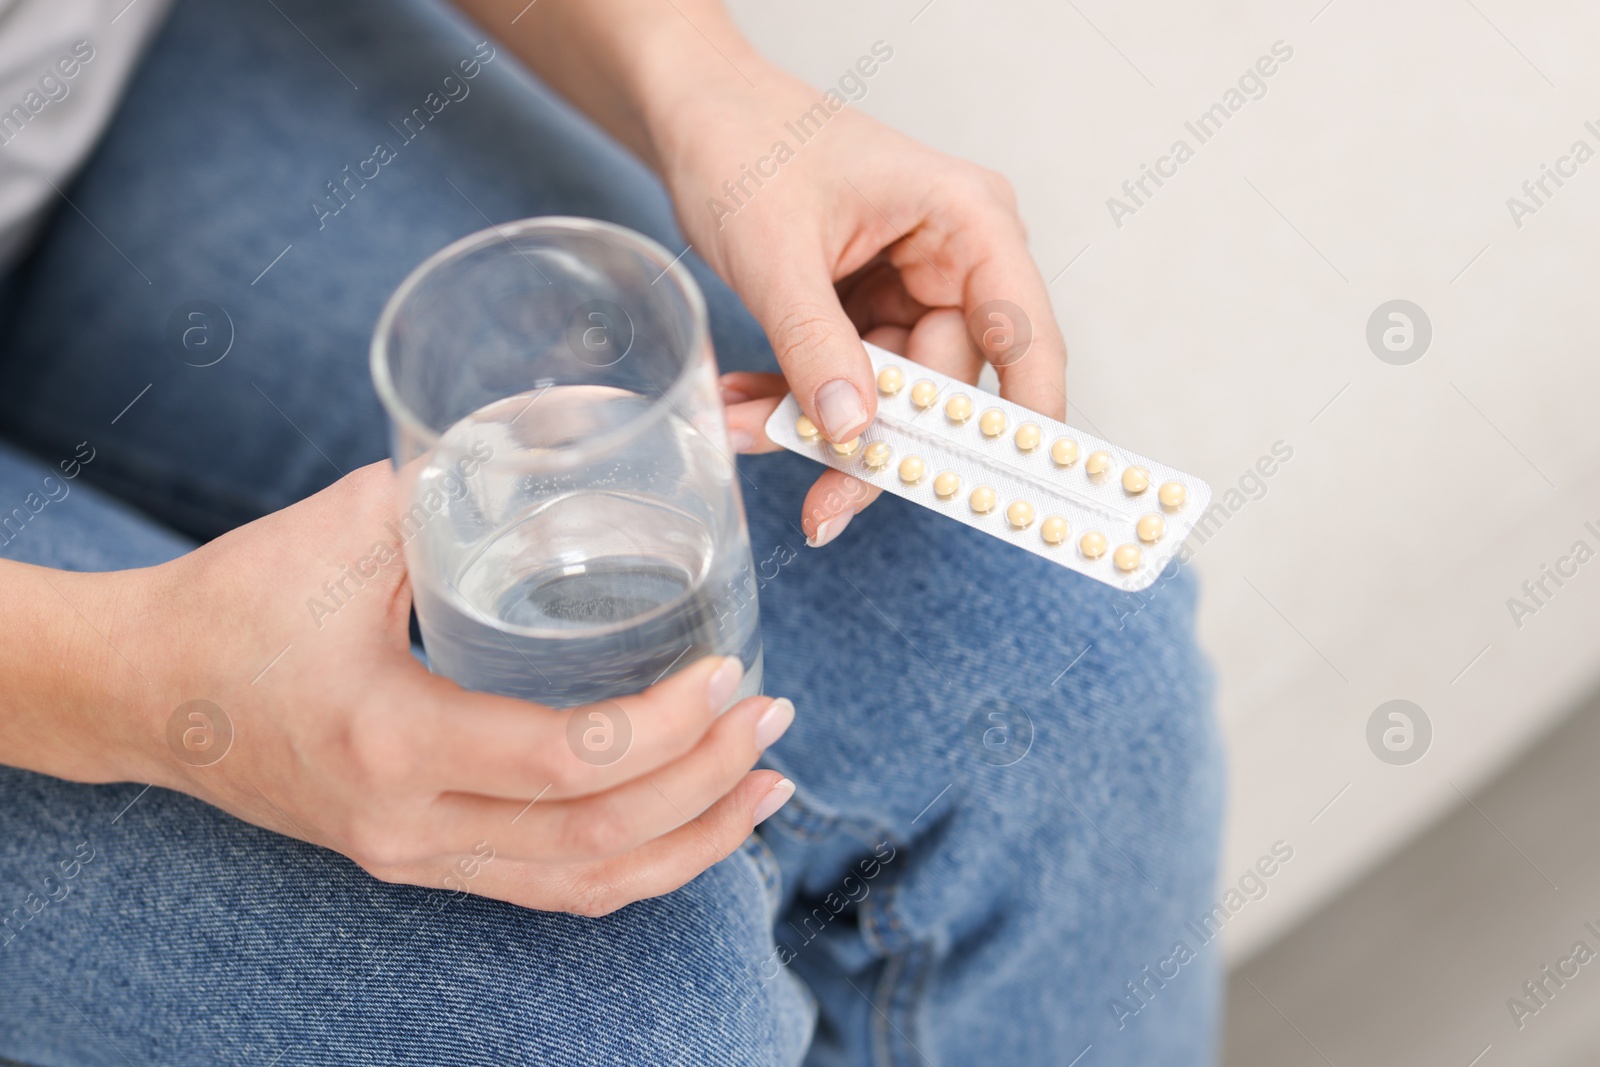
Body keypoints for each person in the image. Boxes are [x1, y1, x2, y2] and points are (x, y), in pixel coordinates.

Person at [0, 0, 1223, 1063]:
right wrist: (136, 686)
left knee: (1066, 668)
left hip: (95, 86)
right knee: (626, 1021)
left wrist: (706, 85)